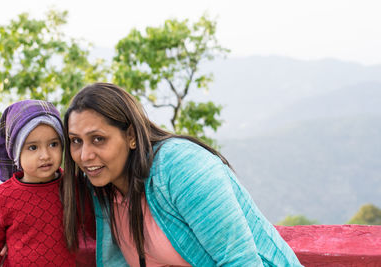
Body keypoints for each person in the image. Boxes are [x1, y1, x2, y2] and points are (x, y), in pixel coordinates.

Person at [63, 83, 303, 266]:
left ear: (132, 136)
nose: (84, 155)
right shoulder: (105, 189)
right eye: (75, 141)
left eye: (98, 139)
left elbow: (240, 261)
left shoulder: (181, 166)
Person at [0, 100, 77, 266]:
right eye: (33, 147)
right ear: (16, 153)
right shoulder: (2, 196)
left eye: (53, 144)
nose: (45, 155)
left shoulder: (73, 187)